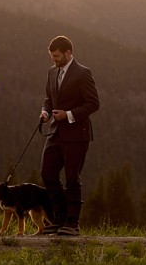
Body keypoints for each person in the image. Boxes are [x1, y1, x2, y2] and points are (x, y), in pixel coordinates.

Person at [37, 35, 100, 237]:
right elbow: (49, 98)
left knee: (72, 178)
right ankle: (59, 218)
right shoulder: (51, 72)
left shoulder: (83, 73)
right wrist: (45, 112)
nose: (54, 60)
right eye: (52, 56)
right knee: (47, 173)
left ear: (68, 53)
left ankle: (72, 223)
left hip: (77, 135)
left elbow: (93, 104)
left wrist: (69, 115)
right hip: (55, 132)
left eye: (57, 56)